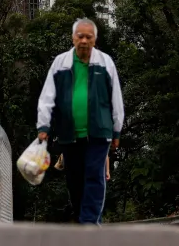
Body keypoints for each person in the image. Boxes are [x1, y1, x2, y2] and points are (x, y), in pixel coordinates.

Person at [36, 18, 124, 225]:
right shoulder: (60, 63)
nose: (84, 40)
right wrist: (43, 126)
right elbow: (47, 96)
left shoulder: (105, 62)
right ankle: (81, 218)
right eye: (80, 36)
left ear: (95, 40)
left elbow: (116, 98)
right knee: (74, 180)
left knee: (94, 175)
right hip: (69, 133)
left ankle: (90, 222)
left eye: (89, 37)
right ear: (73, 38)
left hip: (99, 131)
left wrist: (117, 130)